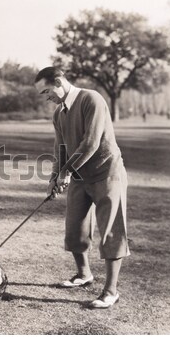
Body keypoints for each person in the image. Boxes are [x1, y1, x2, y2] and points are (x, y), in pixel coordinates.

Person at [34, 67, 129, 309]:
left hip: (107, 173)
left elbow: (91, 143)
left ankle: (110, 291)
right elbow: (60, 149)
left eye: (47, 91)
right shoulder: (59, 113)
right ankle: (84, 274)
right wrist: (54, 178)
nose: (47, 97)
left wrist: (66, 171)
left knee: (111, 231)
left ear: (59, 82)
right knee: (75, 228)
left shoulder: (91, 99)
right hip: (79, 177)